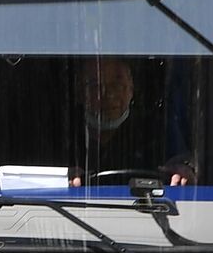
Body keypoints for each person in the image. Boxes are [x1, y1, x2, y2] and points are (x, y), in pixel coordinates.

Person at [69, 57, 195, 187]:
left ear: (131, 89)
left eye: (118, 85)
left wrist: (182, 170)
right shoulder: (63, 134)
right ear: (80, 92)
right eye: (96, 86)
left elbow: (182, 162)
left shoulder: (156, 132)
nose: (109, 94)